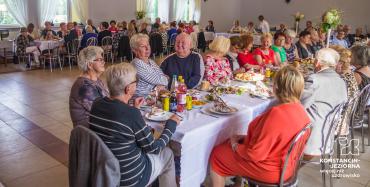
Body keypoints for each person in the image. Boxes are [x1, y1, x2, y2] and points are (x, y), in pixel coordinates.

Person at [209, 65, 310, 186]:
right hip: (288, 167)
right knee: (229, 145)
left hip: (270, 171)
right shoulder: (301, 110)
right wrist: (243, 139)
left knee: (217, 154)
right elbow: (277, 139)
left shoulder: (277, 114)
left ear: (276, 87)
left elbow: (255, 154)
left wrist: (236, 146)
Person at [89, 63, 180, 187]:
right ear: (128, 89)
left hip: (105, 171)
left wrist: (134, 109)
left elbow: (119, 121)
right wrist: (171, 125)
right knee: (168, 153)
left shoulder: (97, 104)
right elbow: (154, 149)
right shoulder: (130, 114)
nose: (137, 83)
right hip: (130, 178)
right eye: (135, 80)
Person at [301, 48, 347, 158]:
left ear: (317, 63)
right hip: (328, 135)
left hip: (312, 136)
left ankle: (282, 170)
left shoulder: (314, 79)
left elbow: (299, 107)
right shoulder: (341, 81)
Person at [69, 46, 109, 127]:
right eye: (100, 60)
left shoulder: (96, 80)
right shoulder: (84, 86)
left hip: (99, 127)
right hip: (91, 134)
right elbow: (103, 112)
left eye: (102, 59)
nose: (103, 62)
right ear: (90, 65)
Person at [330, 45, 358, 136]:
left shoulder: (341, 80)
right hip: (345, 120)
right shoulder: (349, 74)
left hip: (336, 124)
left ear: (340, 63)